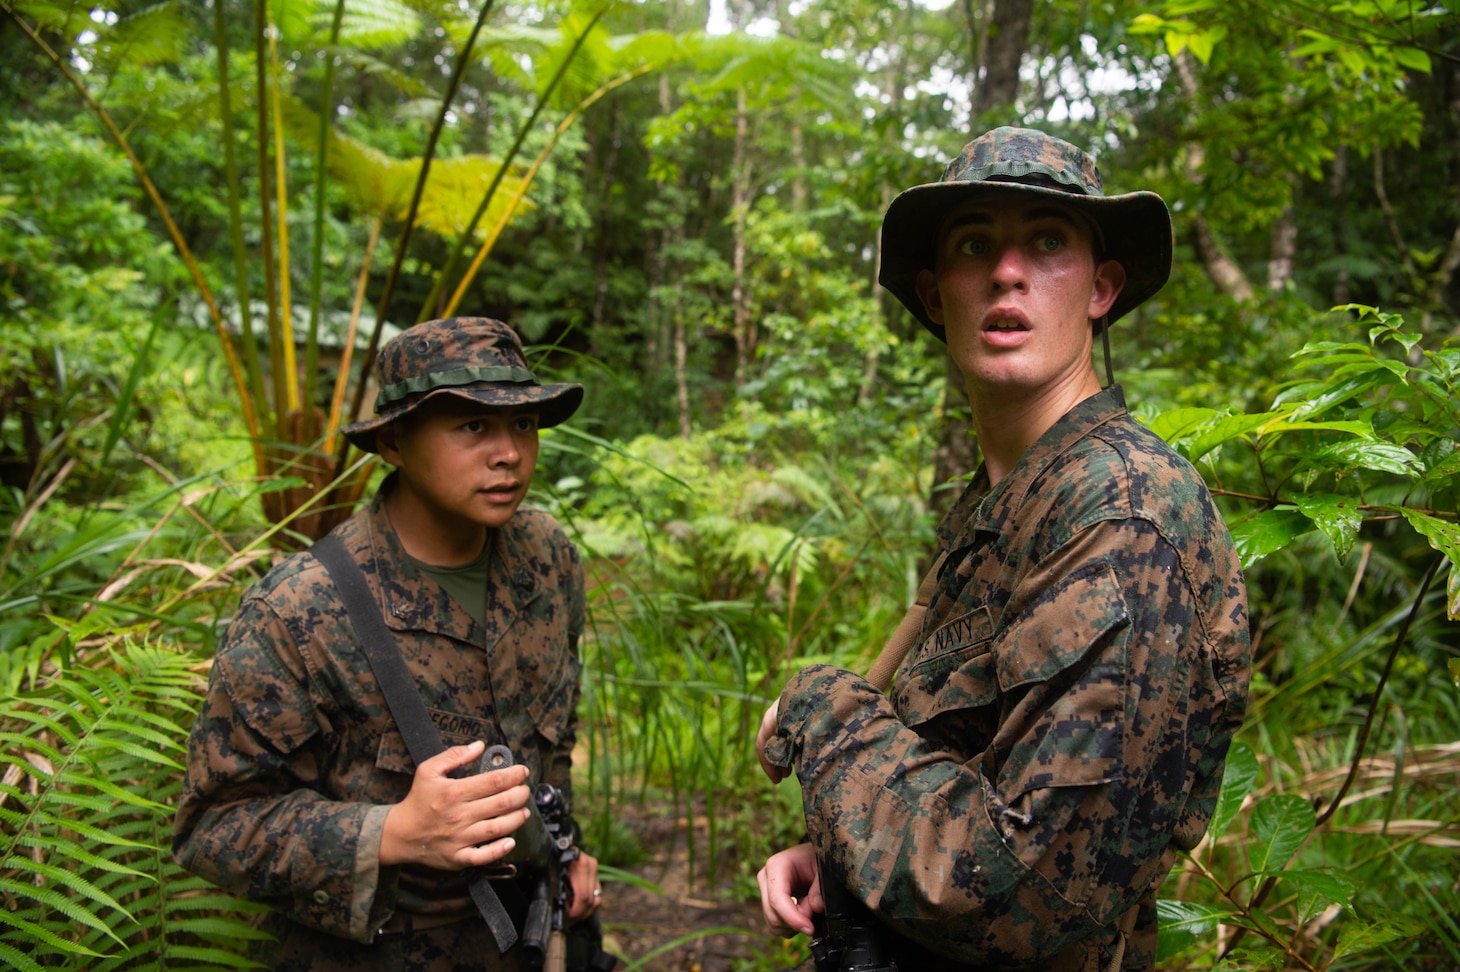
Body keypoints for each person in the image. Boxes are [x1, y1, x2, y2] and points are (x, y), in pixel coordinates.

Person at [754, 127, 1251, 971]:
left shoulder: (1120, 516)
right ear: (934, 291)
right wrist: (848, 849)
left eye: (1048, 241)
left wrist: (820, 712)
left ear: (1102, 288)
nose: (1007, 270)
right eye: (975, 243)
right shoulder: (1006, 502)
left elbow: (1027, 893)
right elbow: (959, 766)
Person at [174, 316, 606, 971]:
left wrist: (562, 846)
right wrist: (387, 833)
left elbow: (554, 736)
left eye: (524, 424)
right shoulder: (299, 610)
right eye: (472, 426)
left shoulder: (546, 560)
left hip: (527, 937)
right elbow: (213, 829)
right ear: (396, 443)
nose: (510, 454)